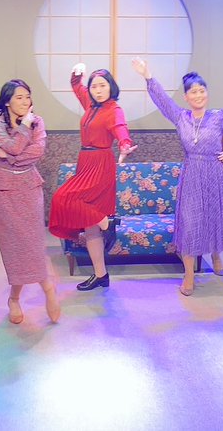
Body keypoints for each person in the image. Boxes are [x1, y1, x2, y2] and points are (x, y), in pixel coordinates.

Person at [131, 57, 223, 295]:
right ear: (186, 97)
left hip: (213, 172)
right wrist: (148, 76)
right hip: (192, 173)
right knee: (190, 225)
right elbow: (163, 101)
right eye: (193, 92)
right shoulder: (180, 117)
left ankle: (216, 255)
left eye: (202, 90)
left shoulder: (218, 116)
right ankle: (189, 274)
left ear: (207, 93)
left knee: (214, 218)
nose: (198, 95)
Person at [48, 64, 136, 291]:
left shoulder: (114, 109)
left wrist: (125, 145)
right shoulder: (90, 102)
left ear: (111, 87)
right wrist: (77, 73)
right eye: (94, 86)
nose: (98, 90)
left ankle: (107, 222)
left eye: (102, 86)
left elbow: (121, 129)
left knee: (62, 198)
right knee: (90, 227)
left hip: (101, 165)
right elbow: (76, 85)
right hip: (85, 162)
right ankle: (101, 275)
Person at [0, 79, 60, 324]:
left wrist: (5, 155)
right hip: (4, 193)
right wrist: (22, 129)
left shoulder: (38, 122)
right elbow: (16, 146)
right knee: (15, 248)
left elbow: (35, 152)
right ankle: (16, 298)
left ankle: (46, 289)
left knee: (33, 244)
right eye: (19, 97)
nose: (25, 101)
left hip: (29, 188)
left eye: (28, 96)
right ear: (7, 101)